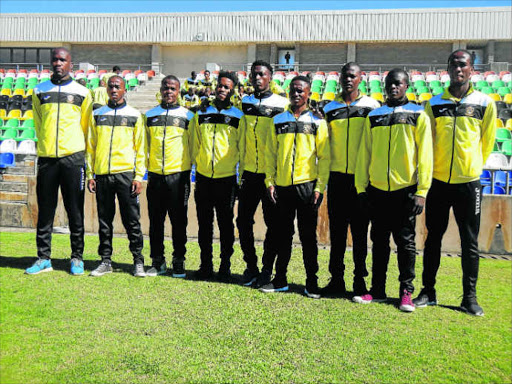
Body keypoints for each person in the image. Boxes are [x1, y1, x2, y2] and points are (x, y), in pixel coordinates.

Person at [414, 50, 497, 317]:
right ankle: (428, 291)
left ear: (472, 69)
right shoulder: (435, 103)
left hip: (468, 184)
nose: (458, 69)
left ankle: (469, 298)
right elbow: (428, 144)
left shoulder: (485, 102)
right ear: (447, 69)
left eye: (463, 65)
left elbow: (486, 143)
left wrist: (471, 168)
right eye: (454, 65)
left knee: (469, 242)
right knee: (432, 238)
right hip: (438, 182)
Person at [353, 68, 433, 312]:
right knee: (378, 241)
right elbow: (364, 152)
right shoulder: (374, 116)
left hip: (405, 190)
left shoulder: (418, 114)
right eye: (389, 83)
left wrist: (422, 191)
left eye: (398, 83)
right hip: (377, 189)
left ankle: (406, 293)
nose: (393, 87)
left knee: (405, 243)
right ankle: (377, 290)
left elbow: (425, 155)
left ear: (407, 86)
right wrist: (361, 187)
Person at [261, 76, 330, 299]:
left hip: (307, 187)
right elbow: (270, 153)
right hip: (282, 186)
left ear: (309, 93)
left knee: (308, 236)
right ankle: (279, 279)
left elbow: (325, 157)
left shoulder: (318, 121)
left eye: (301, 91)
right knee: (283, 235)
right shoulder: (278, 120)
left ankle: (312, 282)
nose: (297, 94)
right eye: (293, 90)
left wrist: (319, 186)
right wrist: (270, 181)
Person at [25, 47, 93, 276]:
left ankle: (77, 257)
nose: (58, 63)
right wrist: (45, 146)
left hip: (73, 158)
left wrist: (76, 151)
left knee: (75, 211)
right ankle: (43, 258)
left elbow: (85, 127)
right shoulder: (38, 90)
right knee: (45, 210)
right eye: (54, 59)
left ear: (70, 64)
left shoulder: (82, 92)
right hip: (47, 159)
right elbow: (38, 122)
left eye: (62, 60)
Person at [321, 62, 381, 296]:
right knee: (336, 233)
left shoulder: (372, 107)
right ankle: (336, 280)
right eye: (345, 76)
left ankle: (359, 281)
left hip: (361, 181)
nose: (348, 79)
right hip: (336, 179)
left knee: (359, 234)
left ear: (360, 80)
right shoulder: (329, 108)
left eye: (353, 76)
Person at [86, 75, 147, 277]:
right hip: (102, 175)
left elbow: (141, 149)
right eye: (111, 86)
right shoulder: (98, 114)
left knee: (132, 220)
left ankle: (138, 261)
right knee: (104, 221)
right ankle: (105, 261)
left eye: (118, 87)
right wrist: (91, 173)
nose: (114, 90)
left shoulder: (134, 115)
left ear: (124, 90)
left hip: (126, 176)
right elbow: (91, 146)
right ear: (106, 88)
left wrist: (138, 177)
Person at [237, 60, 289, 287]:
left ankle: (267, 269)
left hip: (271, 176)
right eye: (254, 75)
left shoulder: (282, 104)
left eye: (262, 74)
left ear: (271, 77)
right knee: (242, 221)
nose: (257, 78)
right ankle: (251, 266)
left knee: (273, 225)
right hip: (249, 172)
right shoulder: (244, 103)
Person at [190, 71, 245, 282]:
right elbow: (195, 144)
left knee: (225, 224)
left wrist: (239, 180)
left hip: (226, 178)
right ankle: (206, 266)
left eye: (227, 87)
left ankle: (225, 266)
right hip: (204, 177)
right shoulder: (200, 113)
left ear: (233, 90)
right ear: (215, 87)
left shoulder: (239, 116)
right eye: (220, 86)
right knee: (204, 224)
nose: (222, 89)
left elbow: (242, 149)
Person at [144, 75, 195, 277]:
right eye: (166, 88)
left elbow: (193, 146)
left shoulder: (188, 116)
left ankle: (179, 260)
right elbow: (145, 145)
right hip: (156, 175)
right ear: (161, 89)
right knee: (156, 221)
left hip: (179, 177)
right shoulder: (149, 115)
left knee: (179, 221)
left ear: (178, 91)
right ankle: (157, 261)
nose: (169, 92)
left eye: (173, 88)